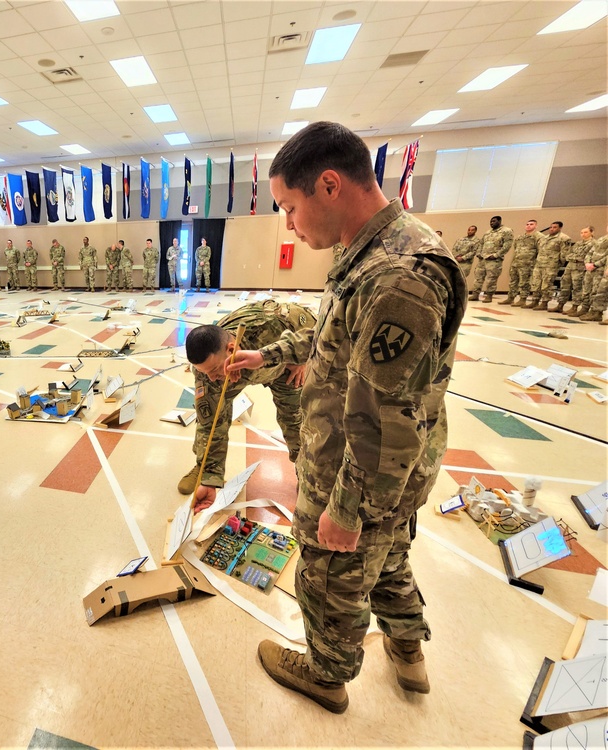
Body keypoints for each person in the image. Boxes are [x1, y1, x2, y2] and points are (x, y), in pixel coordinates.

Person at [222, 122, 466, 714]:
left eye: (289, 206)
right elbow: (337, 343)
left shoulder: (396, 275)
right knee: (388, 561)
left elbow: (385, 419)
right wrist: (272, 355)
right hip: (387, 476)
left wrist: (344, 510)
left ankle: (326, 674)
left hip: (362, 476)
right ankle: (408, 653)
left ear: (329, 185)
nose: (288, 223)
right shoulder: (376, 251)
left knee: (331, 574)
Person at [179, 300, 315, 498]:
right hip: (238, 370)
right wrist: (211, 478)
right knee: (211, 417)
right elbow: (210, 423)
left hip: (282, 367)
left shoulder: (269, 325)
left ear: (231, 349)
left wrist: (302, 359)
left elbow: (318, 330)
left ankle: (306, 474)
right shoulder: (209, 371)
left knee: (294, 421)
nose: (211, 378)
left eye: (215, 370)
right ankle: (206, 470)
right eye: (204, 372)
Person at [467, 216, 513, 302]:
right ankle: (475, 294)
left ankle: (489, 295)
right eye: (491, 221)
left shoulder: (506, 231)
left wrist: (496, 255)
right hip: (483, 259)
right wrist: (479, 253)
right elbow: (481, 243)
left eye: (494, 221)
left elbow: (507, 246)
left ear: (499, 221)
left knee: (491, 278)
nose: (492, 223)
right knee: (478, 277)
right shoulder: (488, 232)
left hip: (494, 260)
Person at [526, 222, 569, 310]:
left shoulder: (564, 238)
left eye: (555, 227)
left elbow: (564, 253)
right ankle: (535, 300)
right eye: (551, 227)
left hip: (551, 265)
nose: (552, 229)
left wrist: (557, 263)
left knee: (547, 284)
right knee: (536, 283)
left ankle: (544, 302)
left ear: (560, 228)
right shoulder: (544, 238)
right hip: (539, 264)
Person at [500, 220, 540, 305]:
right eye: (527, 224)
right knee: (513, 281)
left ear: (536, 226)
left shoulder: (538, 237)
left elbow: (540, 250)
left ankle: (523, 299)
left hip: (528, 264)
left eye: (531, 224)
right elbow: (516, 249)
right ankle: (510, 298)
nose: (528, 226)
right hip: (516, 263)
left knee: (524, 282)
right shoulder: (520, 237)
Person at [558, 226, 593, 313]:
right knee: (564, 284)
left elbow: (586, 257)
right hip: (570, 266)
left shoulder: (593, 244)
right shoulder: (578, 243)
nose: (583, 234)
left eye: (585, 232)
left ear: (591, 233)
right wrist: (573, 258)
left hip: (580, 268)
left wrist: (575, 258)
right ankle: (560, 305)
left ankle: (575, 307)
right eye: (581, 232)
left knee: (577, 287)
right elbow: (569, 254)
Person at [576, 224, 608, 320]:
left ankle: (596, 313)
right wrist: (587, 262)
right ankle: (585, 308)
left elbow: (606, 257)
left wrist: (595, 264)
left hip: (600, 268)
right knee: (587, 289)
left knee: (598, 291)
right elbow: (591, 251)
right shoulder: (602, 239)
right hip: (591, 268)